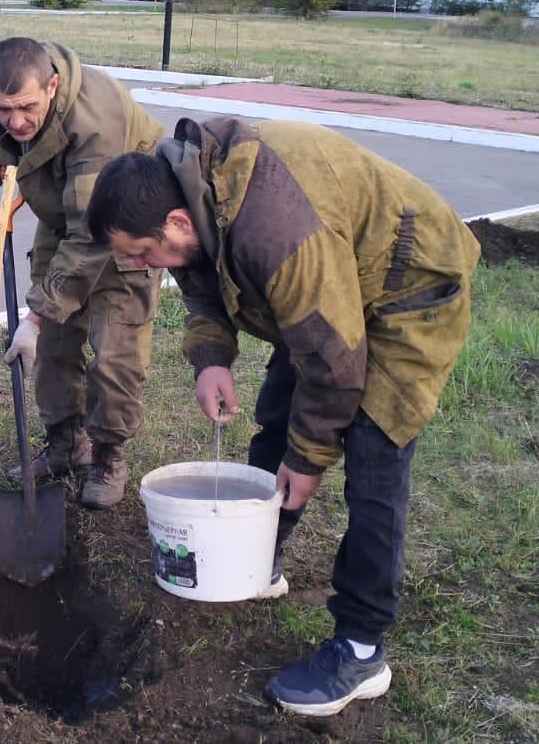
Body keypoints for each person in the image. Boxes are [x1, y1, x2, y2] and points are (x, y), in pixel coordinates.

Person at [85, 117, 479, 717]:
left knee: (376, 462)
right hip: (333, 290)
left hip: (406, 290)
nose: (147, 266)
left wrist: (309, 458)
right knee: (277, 417)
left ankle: (361, 647)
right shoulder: (188, 190)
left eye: (144, 253)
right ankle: (258, 557)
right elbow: (198, 274)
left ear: (177, 222)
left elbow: (336, 361)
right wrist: (211, 357)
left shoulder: (274, 230)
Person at [0, 37, 165, 508]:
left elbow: (92, 234)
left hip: (123, 222)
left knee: (115, 351)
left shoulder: (96, 121)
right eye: (4, 108)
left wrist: (34, 316)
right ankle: (65, 443)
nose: (15, 120)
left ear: (52, 86)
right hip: (63, 211)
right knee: (54, 344)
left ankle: (108, 455)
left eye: (26, 107)